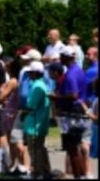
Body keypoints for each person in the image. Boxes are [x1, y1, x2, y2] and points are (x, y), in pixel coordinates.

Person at [53, 48, 88, 179]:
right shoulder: (79, 70)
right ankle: (82, 175)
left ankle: (78, 177)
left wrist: (55, 98)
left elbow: (73, 95)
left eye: (61, 56)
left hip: (72, 112)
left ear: (66, 57)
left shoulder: (71, 74)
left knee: (72, 148)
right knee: (75, 147)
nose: (59, 59)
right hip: (77, 111)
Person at [23, 61, 52, 178]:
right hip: (39, 123)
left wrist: (22, 113)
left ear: (35, 73)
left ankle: (37, 173)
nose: (28, 74)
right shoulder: (41, 84)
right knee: (40, 148)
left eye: (30, 72)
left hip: (34, 124)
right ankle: (45, 171)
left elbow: (31, 105)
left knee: (34, 150)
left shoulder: (37, 86)